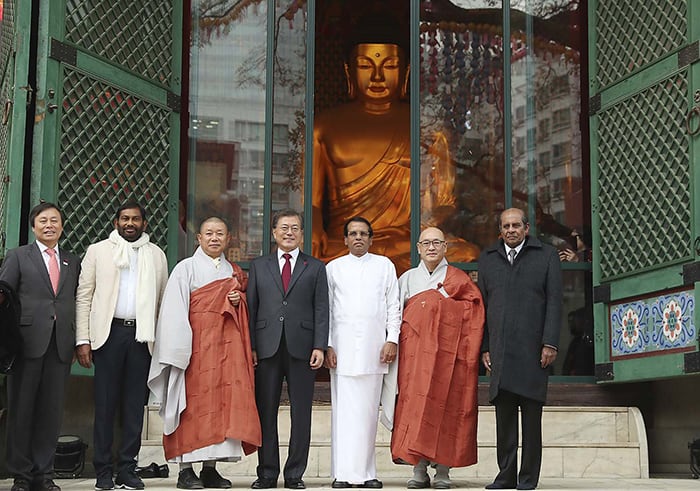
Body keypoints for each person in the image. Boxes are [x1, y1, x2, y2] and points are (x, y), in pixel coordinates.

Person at [312, 17, 479, 271]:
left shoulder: (428, 128)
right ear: (349, 72)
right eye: (365, 65)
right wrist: (314, 230)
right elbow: (311, 202)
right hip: (345, 242)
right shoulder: (323, 126)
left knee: (466, 252)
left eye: (389, 66)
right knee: (304, 254)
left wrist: (424, 223)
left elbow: (445, 201)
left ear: (406, 72)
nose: (377, 76)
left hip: (405, 241)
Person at [148, 217, 261, 489]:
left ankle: (210, 469)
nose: (214, 238)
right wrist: (177, 352)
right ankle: (186, 470)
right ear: (198, 238)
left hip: (225, 351)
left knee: (221, 407)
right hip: (194, 349)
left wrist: (238, 301)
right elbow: (174, 312)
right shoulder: (185, 269)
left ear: (228, 239)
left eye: (219, 234)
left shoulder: (233, 272)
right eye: (208, 233)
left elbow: (242, 306)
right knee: (191, 406)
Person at [75, 200, 169, 491]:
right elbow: (84, 296)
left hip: (142, 338)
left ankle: (128, 468)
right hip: (108, 335)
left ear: (144, 223)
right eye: (125, 218)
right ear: (116, 222)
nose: (130, 223)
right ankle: (103, 470)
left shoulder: (156, 255)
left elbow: (163, 301)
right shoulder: (98, 251)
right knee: (105, 405)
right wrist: (83, 339)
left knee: (133, 407)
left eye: (136, 219)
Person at [390, 227, 484, 489]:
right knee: (415, 407)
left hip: (447, 356)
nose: (431, 247)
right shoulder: (407, 279)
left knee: (446, 407)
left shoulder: (459, 279)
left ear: (445, 248)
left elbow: (473, 308)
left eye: (437, 243)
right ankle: (418, 468)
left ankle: (443, 469)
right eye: (426, 243)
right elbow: (395, 315)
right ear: (418, 248)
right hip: (415, 356)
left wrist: (442, 309)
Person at [478, 208, 562, 490]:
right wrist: (486, 347)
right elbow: (484, 307)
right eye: (506, 226)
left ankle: (527, 479)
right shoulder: (488, 259)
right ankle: (505, 476)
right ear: (500, 230)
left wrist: (550, 342)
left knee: (530, 420)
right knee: (504, 420)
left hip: (533, 351)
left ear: (526, 228)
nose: (511, 230)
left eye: (516, 225)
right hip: (500, 352)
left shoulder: (546, 255)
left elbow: (554, 302)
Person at [0, 202, 81, 491]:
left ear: (62, 226)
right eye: (43, 221)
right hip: (26, 344)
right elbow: (4, 296)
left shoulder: (72, 260)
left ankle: (43, 474)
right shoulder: (18, 256)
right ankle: (21, 475)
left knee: (50, 412)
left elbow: (75, 301)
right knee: (22, 410)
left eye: (55, 221)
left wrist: (77, 340)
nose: (49, 225)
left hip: (59, 345)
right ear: (34, 226)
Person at [247, 209, 329, 490]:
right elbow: (252, 308)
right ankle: (267, 473)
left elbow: (322, 309)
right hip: (267, 347)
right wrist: (253, 346)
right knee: (265, 412)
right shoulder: (258, 266)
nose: (289, 232)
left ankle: (294, 474)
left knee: (301, 413)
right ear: (274, 232)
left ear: (302, 234)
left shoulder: (316, 267)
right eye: (284, 227)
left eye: (295, 228)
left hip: (303, 348)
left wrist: (319, 345)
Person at [325, 217, 401, 489]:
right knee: (343, 415)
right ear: (344, 239)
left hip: (374, 349)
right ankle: (342, 474)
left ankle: (367, 473)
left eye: (363, 234)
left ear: (371, 238)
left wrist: (392, 339)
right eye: (352, 234)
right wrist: (328, 344)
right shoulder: (333, 268)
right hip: (342, 351)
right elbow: (328, 312)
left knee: (368, 416)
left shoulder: (384, 266)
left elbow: (394, 306)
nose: (358, 238)